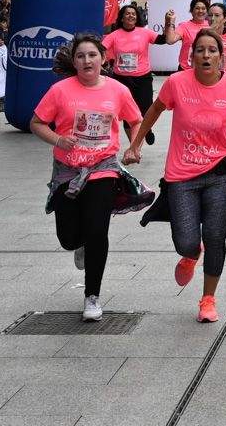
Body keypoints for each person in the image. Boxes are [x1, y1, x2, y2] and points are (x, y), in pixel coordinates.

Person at [125, 29, 226, 323]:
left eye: (212, 50)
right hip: (181, 176)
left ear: (222, 57)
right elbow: (154, 110)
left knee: (216, 236)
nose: (206, 55)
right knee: (186, 241)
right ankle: (190, 254)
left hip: (220, 174)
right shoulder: (177, 83)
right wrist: (135, 144)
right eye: (200, 50)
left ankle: (208, 299)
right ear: (192, 56)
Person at [31, 33, 144, 322]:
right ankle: (78, 245)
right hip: (68, 170)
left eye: (92, 55)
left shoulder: (118, 90)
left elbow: (136, 120)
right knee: (68, 237)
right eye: (80, 56)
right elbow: (37, 123)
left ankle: (92, 295)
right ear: (74, 61)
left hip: (102, 167)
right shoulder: (60, 90)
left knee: (98, 231)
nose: (86, 60)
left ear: (103, 59)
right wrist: (58, 140)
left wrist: (134, 146)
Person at [103, 4, 170, 144]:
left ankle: (147, 129)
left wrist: (168, 23)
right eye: (127, 13)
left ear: (137, 17)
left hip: (142, 78)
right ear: (121, 18)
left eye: (133, 14)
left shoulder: (144, 33)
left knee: (146, 109)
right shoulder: (114, 35)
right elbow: (100, 49)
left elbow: (164, 40)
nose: (131, 16)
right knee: (128, 113)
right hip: (122, 79)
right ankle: (134, 144)